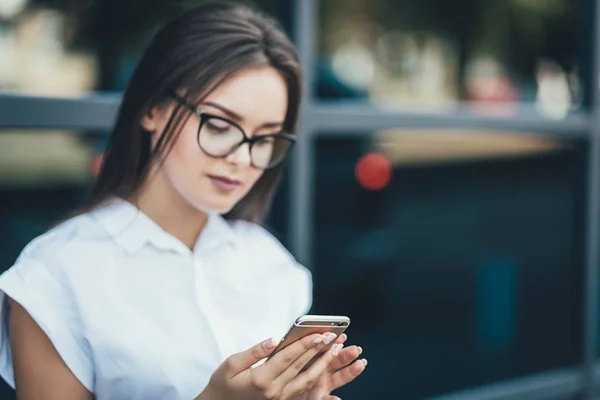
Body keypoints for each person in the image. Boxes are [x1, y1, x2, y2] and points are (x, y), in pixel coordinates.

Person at [0, 1, 368, 399]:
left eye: (265, 138)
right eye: (218, 124)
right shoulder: (54, 277)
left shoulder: (272, 266)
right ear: (152, 109)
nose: (242, 158)